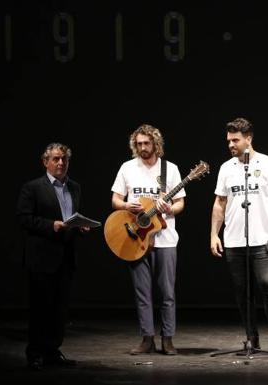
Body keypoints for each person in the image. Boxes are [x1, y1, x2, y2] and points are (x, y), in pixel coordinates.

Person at [210, 117, 268, 356]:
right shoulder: (226, 168)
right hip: (234, 240)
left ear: (249, 138)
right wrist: (214, 234)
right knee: (242, 291)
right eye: (229, 141)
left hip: (263, 238)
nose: (231, 145)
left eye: (235, 140)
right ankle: (251, 337)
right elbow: (219, 203)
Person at [111, 124, 185, 356]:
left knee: (167, 293)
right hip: (136, 237)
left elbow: (181, 203)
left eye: (147, 143)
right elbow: (115, 200)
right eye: (139, 144)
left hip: (165, 238)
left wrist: (169, 208)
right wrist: (126, 205)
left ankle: (168, 339)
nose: (143, 147)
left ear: (155, 144)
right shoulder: (127, 168)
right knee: (142, 292)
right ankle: (146, 339)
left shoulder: (170, 169)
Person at [16, 143, 90, 370]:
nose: (61, 163)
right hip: (42, 258)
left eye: (64, 160)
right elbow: (24, 218)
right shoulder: (33, 188)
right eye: (56, 159)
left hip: (66, 258)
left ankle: (52, 352)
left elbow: (71, 217)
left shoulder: (75, 187)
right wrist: (52, 226)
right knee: (41, 309)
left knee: (60, 310)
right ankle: (35, 354)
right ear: (45, 162)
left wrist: (80, 226)